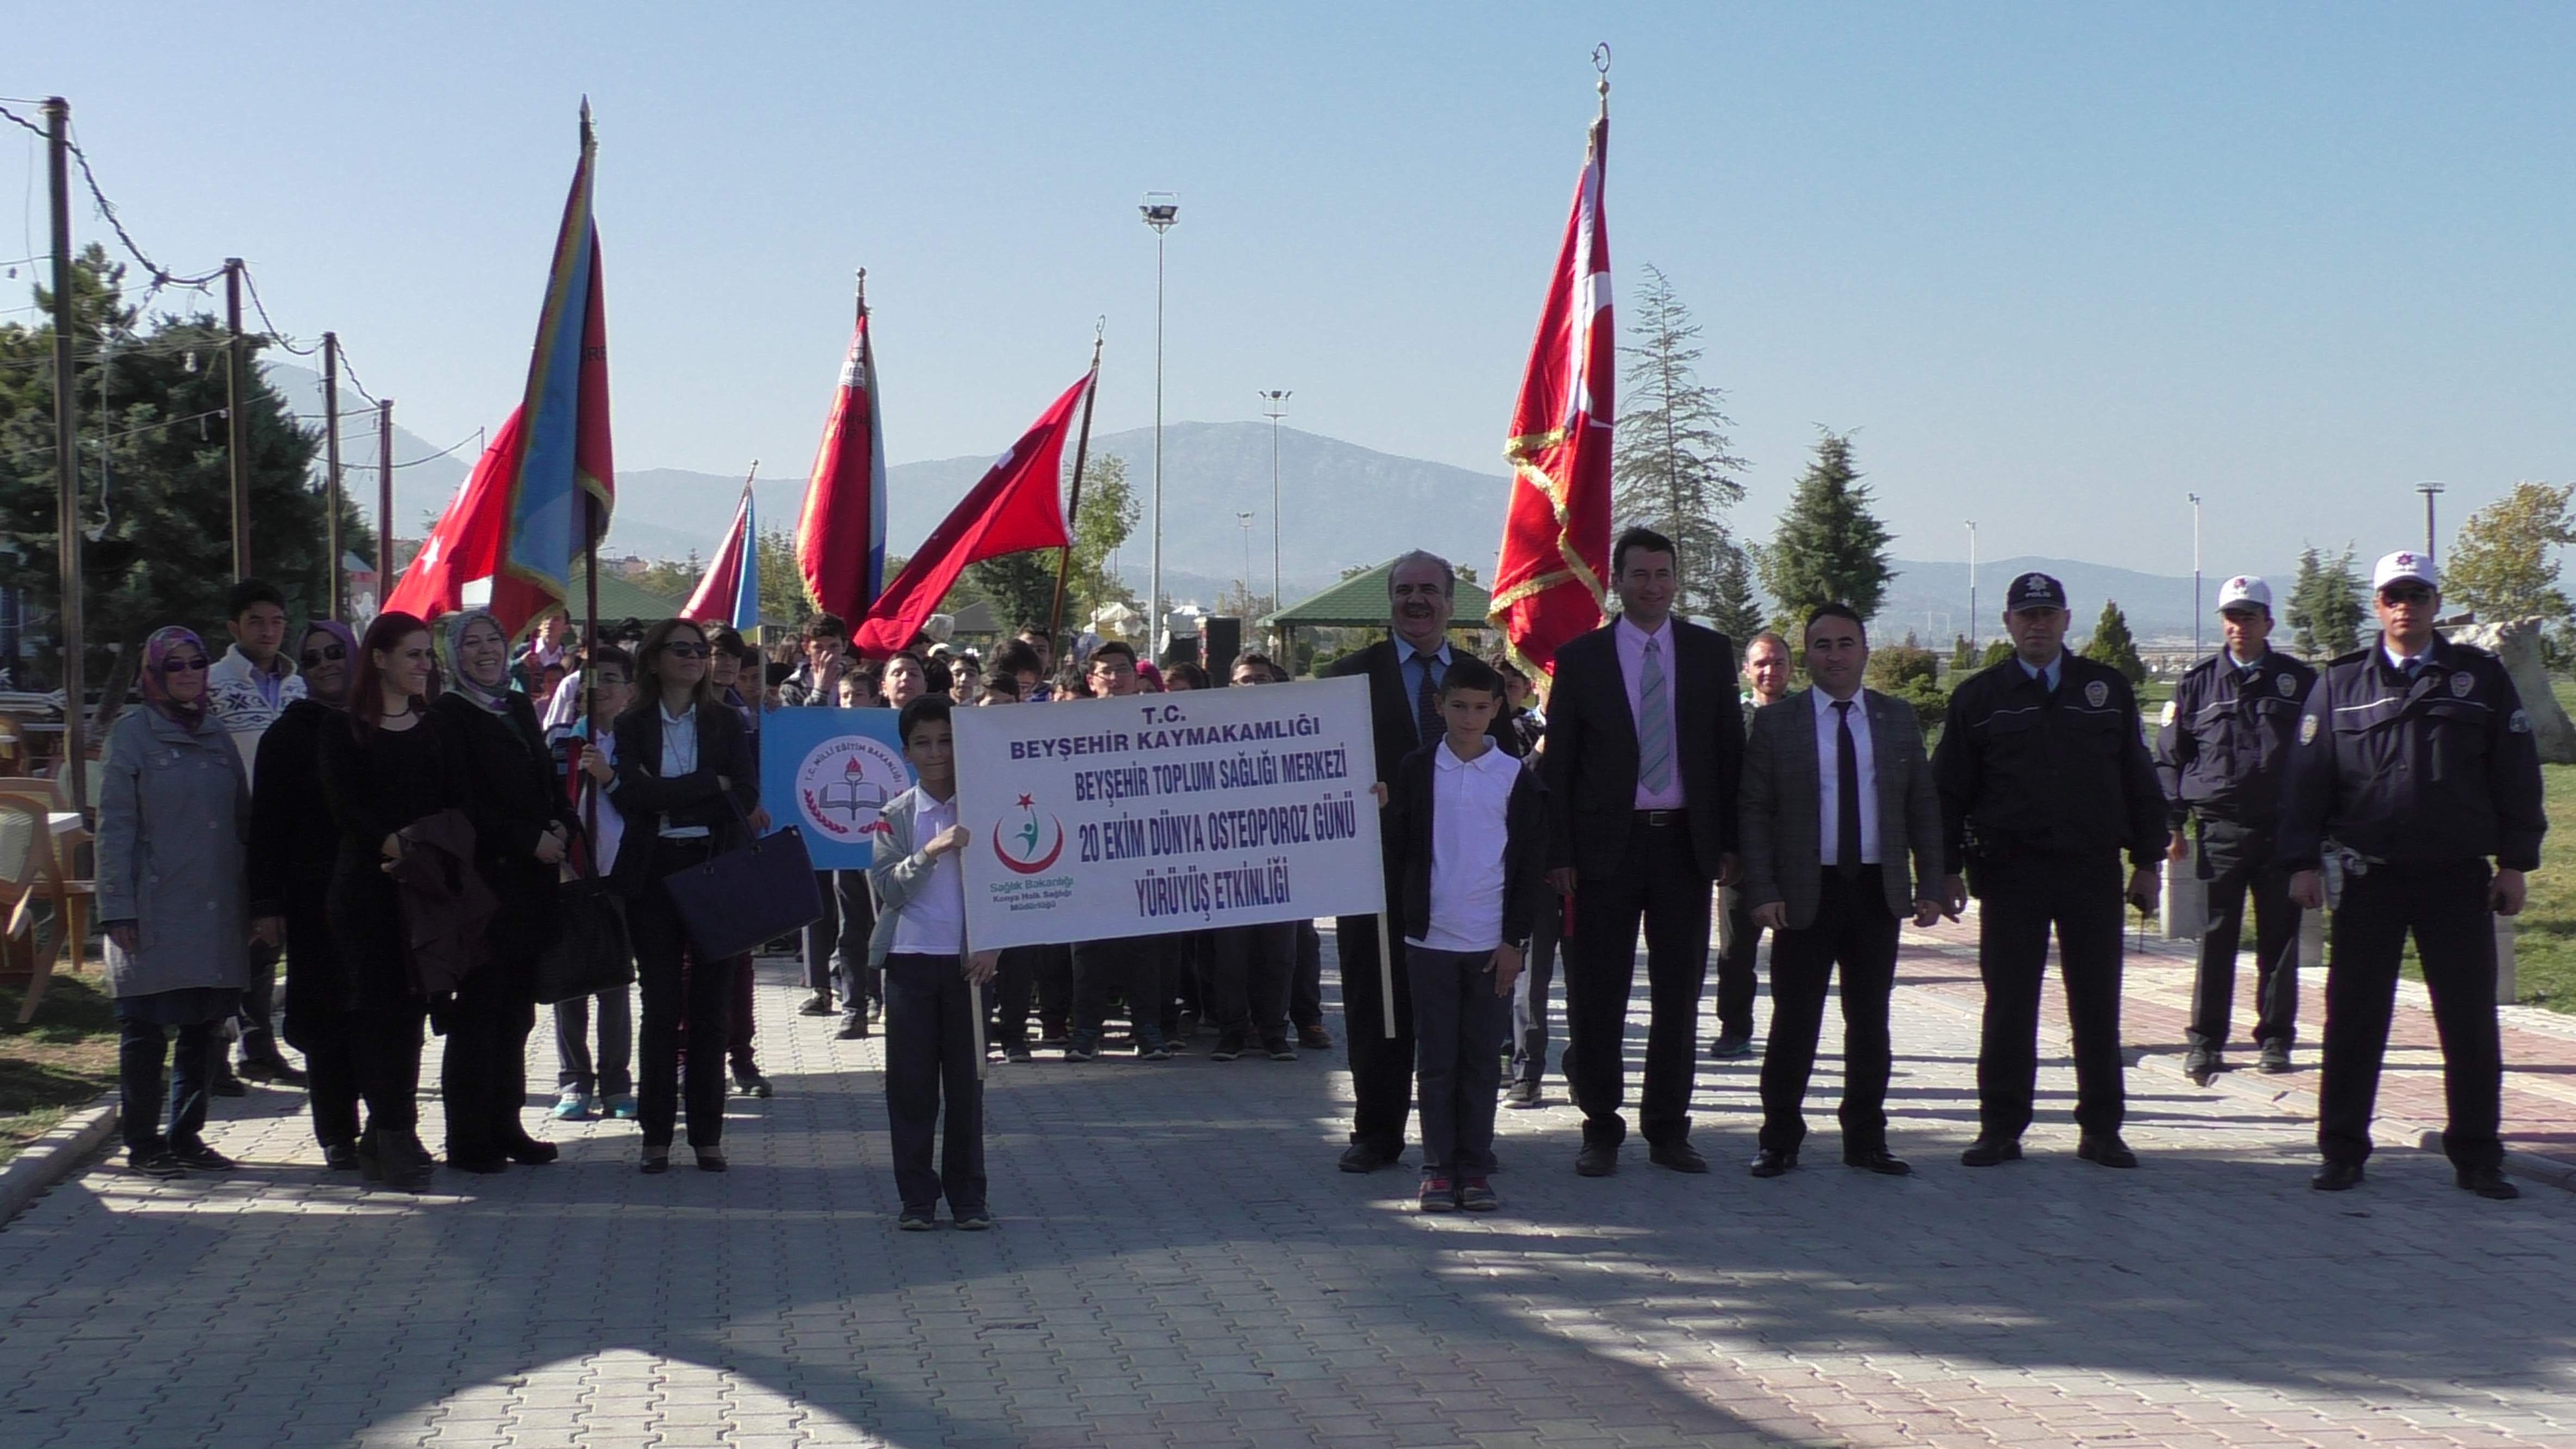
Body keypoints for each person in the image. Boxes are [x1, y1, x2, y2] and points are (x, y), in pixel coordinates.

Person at [2281, 550, 2542, 1201]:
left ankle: (2477, 1157)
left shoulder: (2477, 679)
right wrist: (2298, 862)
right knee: (2353, 1019)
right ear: (2377, 606)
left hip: (2455, 879)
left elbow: (2515, 774)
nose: (2406, 608)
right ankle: (2341, 1151)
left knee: (2468, 1023)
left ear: (2434, 604)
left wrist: (2514, 863)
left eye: (2417, 596)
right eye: (2393, 597)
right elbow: (2305, 781)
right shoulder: (2339, 684)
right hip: (2369, 878)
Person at [1933, 571, 2165, 1171]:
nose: (2036, 625)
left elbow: (2138, 782)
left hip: (2089, 870)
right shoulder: (1980, 697)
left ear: (2066, 621)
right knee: (2009, 1005)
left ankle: (2101, 1130)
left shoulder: (2104, 688)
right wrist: (1943, 870)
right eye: (2024, 616)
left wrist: (2147, 861)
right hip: (2010, 873)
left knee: (2096, 1004)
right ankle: (2000, 1129)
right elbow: (1947, 793)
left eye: (2046, 614)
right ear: (2007, 624)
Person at [1539, 527, 1742, 1178]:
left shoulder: (1710, 653)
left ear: (1675, 580)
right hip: (1605, 849)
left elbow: (1728, 756)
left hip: (1684, 843)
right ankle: (1599, 1126)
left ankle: (1667, 1129)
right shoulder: (1582, 660)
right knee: (1598, 992)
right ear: (1616, 582)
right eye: (1638, 574)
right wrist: (1560, 852)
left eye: (1662, 573)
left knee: (1678, 994)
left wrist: (1731, 844)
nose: (1651, 585)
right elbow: (1560, 768)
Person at [1324, 552, 1522, 1172]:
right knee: (1376, 1005)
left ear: (1450, 601)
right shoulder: (1346, 676)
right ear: (1388, 598)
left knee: (1464, 1017)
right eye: (1405, 590)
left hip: (1465, 878)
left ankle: (1465, 1140)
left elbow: (1511, 776)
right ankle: (1376, 1132)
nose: (1417, 601)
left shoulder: (1477, 680)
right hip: (1376, 872)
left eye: (1429, 591)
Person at [1737, 605, 1949, 1178]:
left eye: (1845, 643)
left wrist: (1930, 882)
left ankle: (1865, 1139)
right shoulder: (1777, 725)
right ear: (1806, 655)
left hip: (1875, 892)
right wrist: (1761, 889)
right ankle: (1778, 1138)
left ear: (1863, 651)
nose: (1834, 654)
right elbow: (1754, 813)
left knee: (1869, 1021)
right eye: (1822, 645)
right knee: (1794, 1022)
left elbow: (1921, 807)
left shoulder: (1895, 718)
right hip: (1804, 893)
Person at [98, 627, 260, 1178]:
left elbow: (242, 822)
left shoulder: (216, 735)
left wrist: (256, 902)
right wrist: (117, 907)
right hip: (153, 908)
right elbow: (115, 829)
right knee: (145, 1030)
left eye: (197, 663)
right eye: (176, 666)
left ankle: (186, 1136)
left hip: (215, 907)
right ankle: (143, 1143)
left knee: (204, 1027)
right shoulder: (132, 736)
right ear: (155, 674)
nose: (189, 673)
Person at [1385, 657, 1546, 1212]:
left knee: (1480, 1060)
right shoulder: (1415, 769)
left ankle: (1474, 1168)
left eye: (1481, 707)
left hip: (1488, 944)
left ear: (1498, 709)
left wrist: (1512, 942)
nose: (1469, 717)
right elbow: (1399, 848)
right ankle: (1436, 1167)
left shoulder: (1513, 777)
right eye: (1458, 706)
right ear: (1439, 707)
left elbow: (1526, 867)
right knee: (1434, 1060)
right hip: (1428, 942)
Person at [610, 617, 760, 1173]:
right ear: (654, 660)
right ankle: (655, 1135)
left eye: (701, 649)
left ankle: (706, 1135)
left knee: (711, 1011)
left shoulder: (724, 721)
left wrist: (672, 797)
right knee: (661, 1008)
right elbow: (632, 797)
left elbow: (744, 793)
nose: (696, 657)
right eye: (683, 649)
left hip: (713, 869)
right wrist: (706, 786)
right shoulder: (631, 725)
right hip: (654, 876)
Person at [2155, 575, 2317, 1084]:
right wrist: (2172, 824)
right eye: (2231, 617)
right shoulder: (2198, 683)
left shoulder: (2299, 682)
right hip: (2220, 830)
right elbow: (2170, 758)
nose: (2238, 626)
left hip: (2281, 831)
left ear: (2269, 622)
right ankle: (2205, 1041)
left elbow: (2320, 760)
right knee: (2216, 937)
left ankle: (2275, 1039)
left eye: (2248, 617)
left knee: (2281, 940)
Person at [430, 610, 569, 1174]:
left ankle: (506, 1124)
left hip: (531, 885)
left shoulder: (513, 704)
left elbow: (543, 777)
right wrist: (524, 838)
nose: (486, 650)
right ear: (453, 654)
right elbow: (460, 801)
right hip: (484, 886)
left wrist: (561, 823)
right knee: (479, 1015)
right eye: (473, 643)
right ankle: (468, 1137)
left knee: (517, 1014)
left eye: (494, 639)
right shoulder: (448, 714)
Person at [317, 613, 453, 1191]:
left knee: (411, 1015)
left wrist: (424, 849)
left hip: (421, 890)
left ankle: (391, 1131)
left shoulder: (432, 727)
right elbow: (343, 805)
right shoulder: (345, 729)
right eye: (414, 655)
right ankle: (392, 1129)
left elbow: (452, 800)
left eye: (428, 655)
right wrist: (389, 841)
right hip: (366, 890)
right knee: (375, 1014)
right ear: (379, 659)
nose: (424, 665)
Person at [866, 695, 999, 1229]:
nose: (936, 752)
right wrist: (931, 850)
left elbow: (1007, 883)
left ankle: (968, 1197)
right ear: (905, 752)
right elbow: (885, 888)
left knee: (967, 1087)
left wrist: (993, 942)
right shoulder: (896, 814)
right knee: (912, 1086)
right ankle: (916, 1199)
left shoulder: (986, 804)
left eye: (944, 740)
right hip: (909, 963)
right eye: (922, 743)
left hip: (969, 967)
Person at [251, 621, 366, 1169]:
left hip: (382, 892)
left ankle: (389, 1125)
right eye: (313, 657)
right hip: (314, 895)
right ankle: (337, 1134)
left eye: (335, 652)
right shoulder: (287, 735)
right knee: (326, 1020)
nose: (325, 663)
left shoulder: (385, 722)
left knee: (379, 1016)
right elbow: (266, 829)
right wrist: (267, 905)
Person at [205, 578, 307, 1091]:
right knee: (227, 946)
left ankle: (259, 1048)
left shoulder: (298, 685)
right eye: (256, 622)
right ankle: (213, 1055)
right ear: (233, 627)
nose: (268, 632)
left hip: (285, 832)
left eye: (276, 622)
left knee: (267, 945)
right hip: (227, 832)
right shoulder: (213, 682)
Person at [1067, 641, 1178, 1061]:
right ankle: (1086, 1032)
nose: (1114, 678)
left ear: (1137, 677)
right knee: (1088, 947)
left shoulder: (1160, 725)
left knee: (1145, 947)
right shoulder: (1066, 724)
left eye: (1122, 669)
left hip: (1144, 848)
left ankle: (1149, 1029)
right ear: (1091, 681)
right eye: (1105, 671)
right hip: (1087, 849)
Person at [551, 646, 638, 1123]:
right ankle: (574, 1080)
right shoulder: (561, 742)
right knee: (571, 983)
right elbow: (550, 805)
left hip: (620, 877)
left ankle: (617, 1082)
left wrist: (610, 776)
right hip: (573, 875)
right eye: (591, 678)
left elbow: (645, 805)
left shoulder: (636, 743)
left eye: (611, 678)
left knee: (615, 983)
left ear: (629, 690)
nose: (600, 687)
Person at [1202, 653, 1301, 1063]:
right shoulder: (1208, 731)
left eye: (1262, 679)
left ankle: (1274, 1032)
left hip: (1280, 858)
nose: (1254, 686)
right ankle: (1232, 1032)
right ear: (1231, 686)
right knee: (1229, 955)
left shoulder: (1296, 730)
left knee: (1278, 954)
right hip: (1227, 860)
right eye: (1246, 680)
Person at [1711, 630, 1794, 1061]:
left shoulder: (1806, 719)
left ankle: (1790, 1031)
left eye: (1778, 662)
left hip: (1795, 857)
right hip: (1742, 857)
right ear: (1747, 670)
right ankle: (1735, 1027)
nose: (1770, 670)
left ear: (1791, 668)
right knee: (1736, 951)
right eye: (1761, 663)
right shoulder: (1733, 721)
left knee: (1794, 953)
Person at [705, 624, 772, 1099]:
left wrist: (782, 723)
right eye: (717, 655)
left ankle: (741, 1058)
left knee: (740, 959)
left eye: (734, 657)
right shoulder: (680, 712)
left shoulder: (749, 714)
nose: (726, 664)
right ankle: (690, 1060)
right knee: (694, 962)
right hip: (689, 847)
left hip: (740, 846)